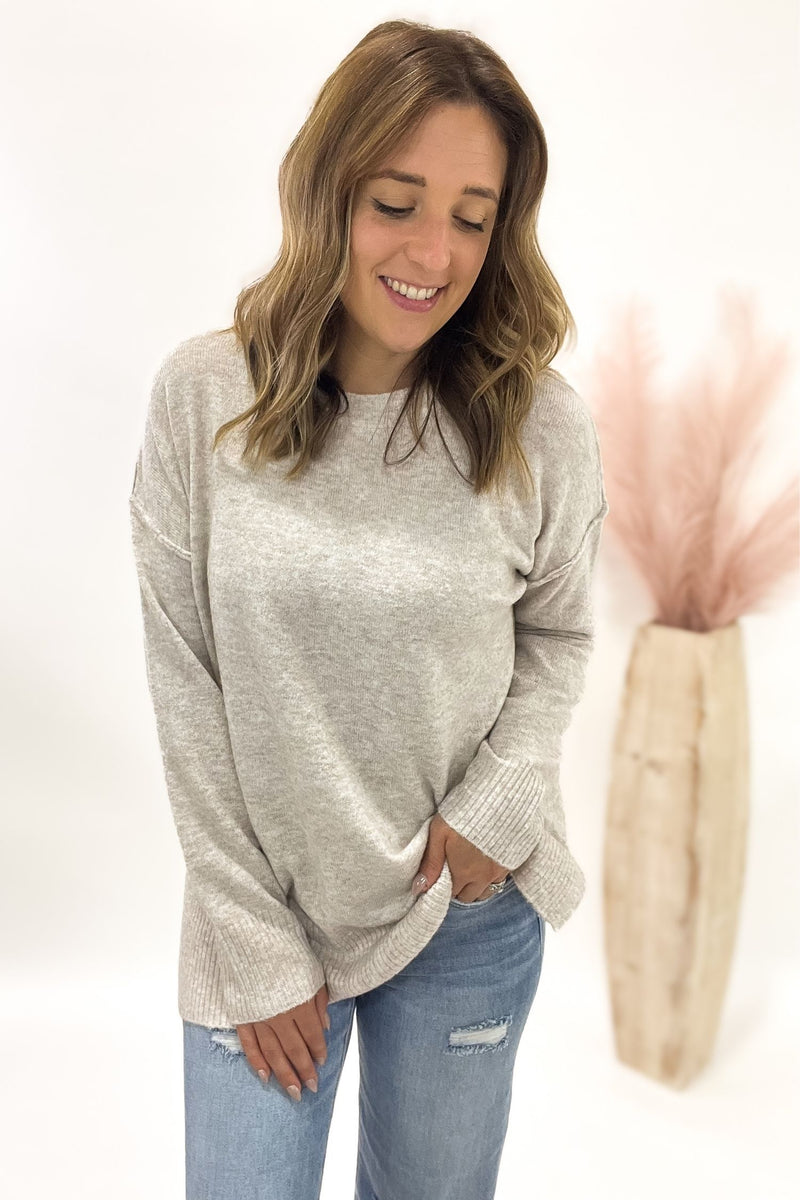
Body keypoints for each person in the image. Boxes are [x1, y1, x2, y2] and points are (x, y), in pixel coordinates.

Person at [129, 18, 609, 1200]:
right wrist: (251, 944)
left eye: (469, 213)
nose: (430, 251)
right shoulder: (206, 398)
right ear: (327, 188)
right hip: (262, 915)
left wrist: (498, 808)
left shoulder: (536, 422)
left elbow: (556, 635)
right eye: (396, 200)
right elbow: (183, 675)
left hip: (463, 915)